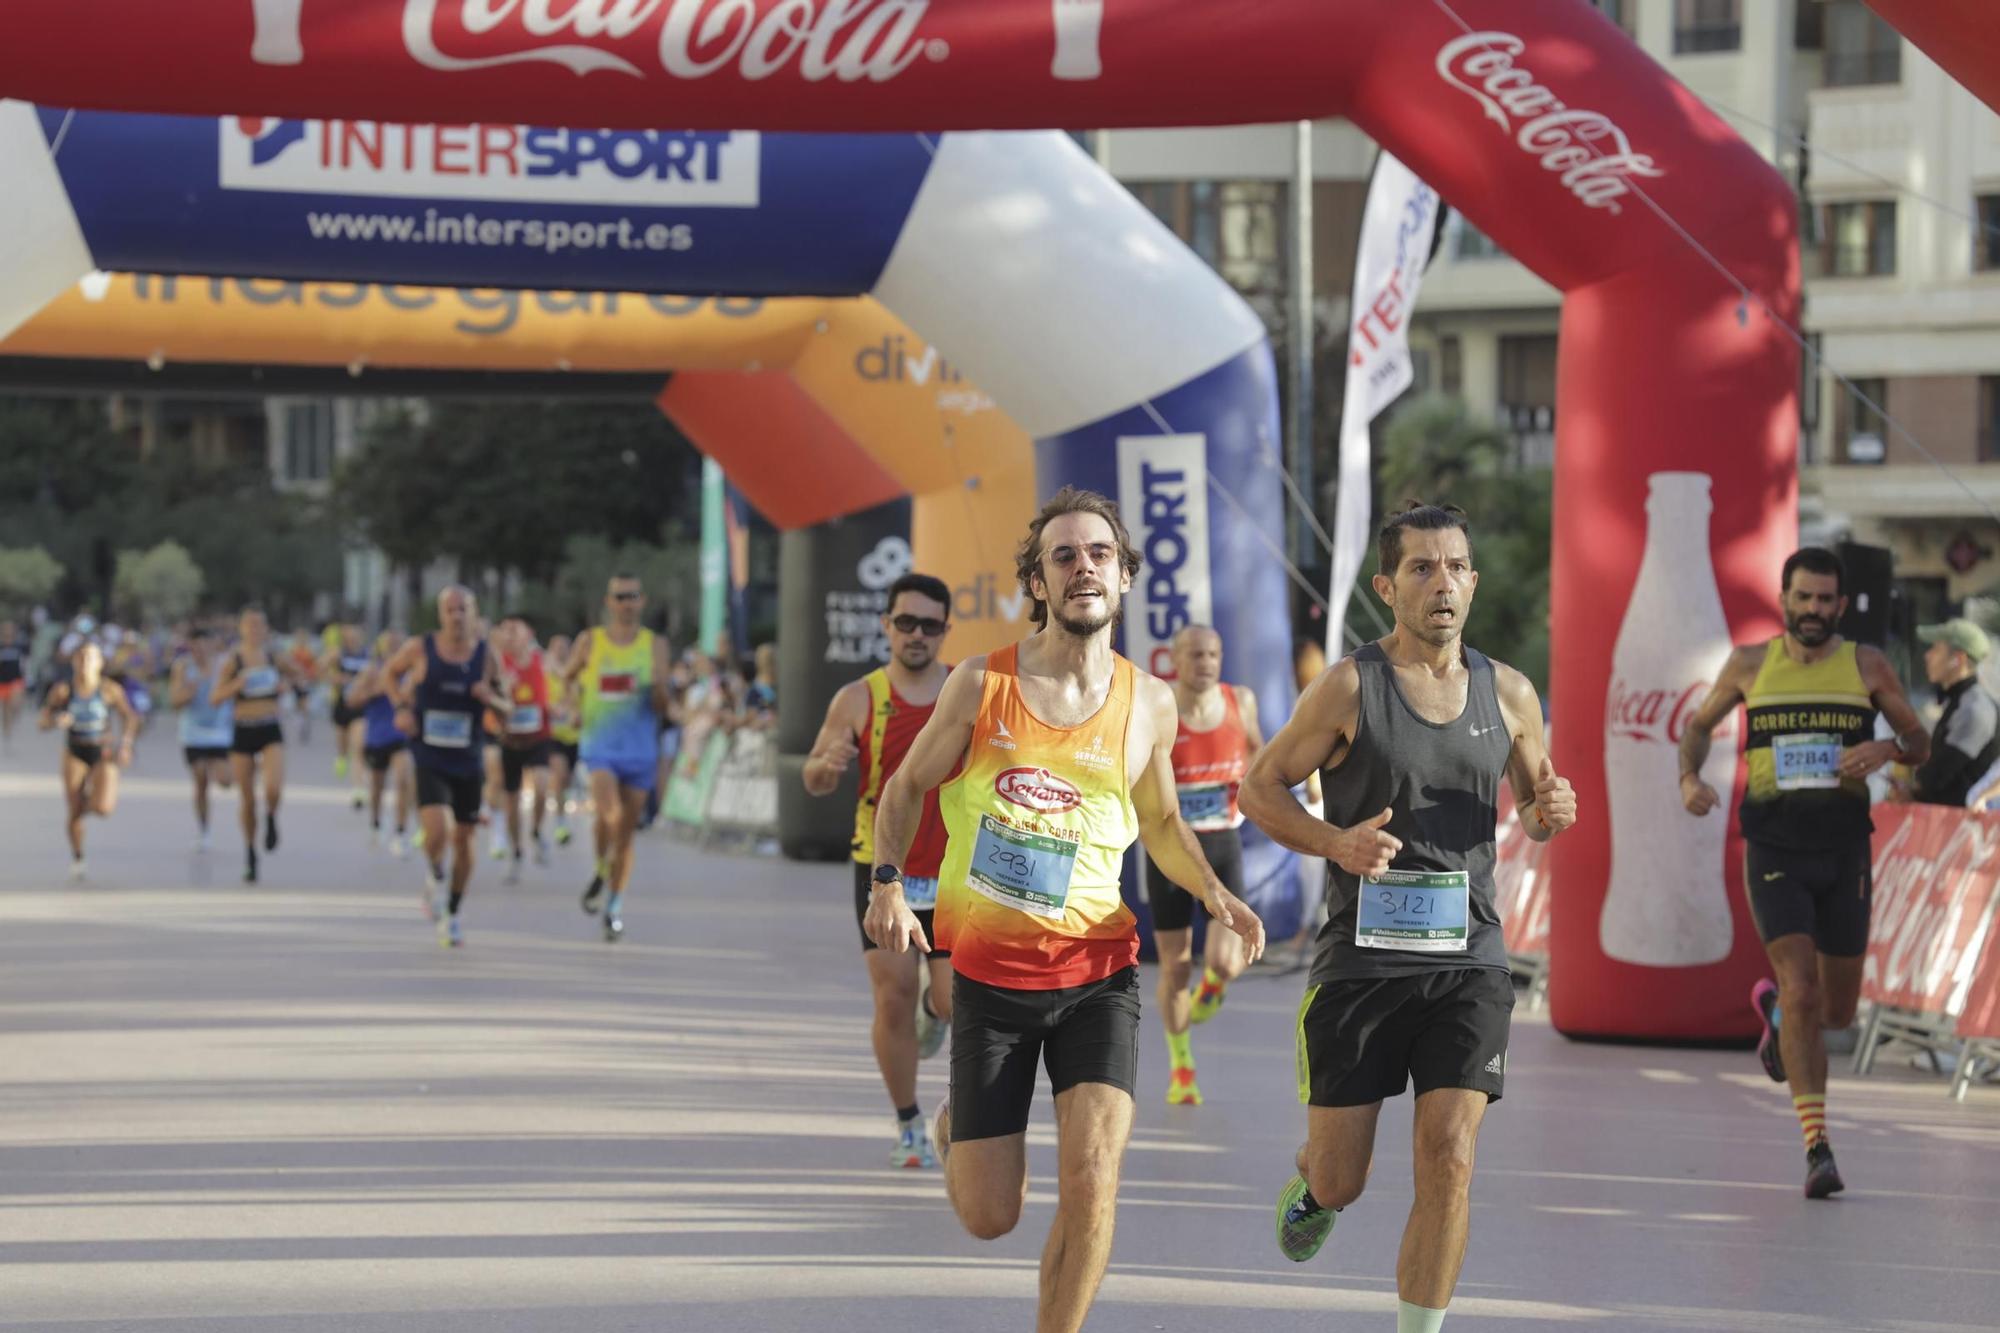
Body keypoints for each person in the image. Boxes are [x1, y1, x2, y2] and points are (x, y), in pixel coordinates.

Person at [864, 487, 1265, 1333]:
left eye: (1099, 555)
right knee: (990, 1215)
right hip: (989, 982)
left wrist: (1218, 895)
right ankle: (952, 1129)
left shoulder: (1147, 702)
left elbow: (1159, 821)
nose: (1083, 566)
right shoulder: (982, 683)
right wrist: (889, 881)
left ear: (1123, 577)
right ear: (1039, 583)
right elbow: (905, 788)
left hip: (1098, 976)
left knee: (1092, 1183)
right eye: (1063, 556)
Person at [1239, 502, 1576, 1333]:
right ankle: (1315, 1185)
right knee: (1343, 1175)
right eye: (1422, 567)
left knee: (1450, 1157)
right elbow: (1258, 786)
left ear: (1473, 581)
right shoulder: (1352, 685)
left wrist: (1549, 809)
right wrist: (1334, 841)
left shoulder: (1511, 691)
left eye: (1456, 566)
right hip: (1362, 963)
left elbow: (1537, 802)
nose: (1443, 582)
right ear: (1388, 586)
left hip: (1471, 960)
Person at [1679, 546, 1927, 1200]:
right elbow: (1698, 726)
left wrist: (1888, 748)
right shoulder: (1751, 664)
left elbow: (1919, 741)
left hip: (1845, 849)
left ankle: (1777, 1015)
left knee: (1837, 1011)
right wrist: (1688, 776)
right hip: (1774, 846)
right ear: (1785, 599)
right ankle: (1817, 1145)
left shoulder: (1867, 664)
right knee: (1803, 988)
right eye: (1804, 598)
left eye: (1826, 600)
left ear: (1840, 606)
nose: (1814, 610)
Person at [802, 571, 957, 1168]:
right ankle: (909, 1122)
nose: (916, 634)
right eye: (905, 622)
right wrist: (826, 766)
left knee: (949, 1001)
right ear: (887, 626)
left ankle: (933, 1017)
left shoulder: (963, 691)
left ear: (945, 630)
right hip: (883, 868)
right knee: (892, 995)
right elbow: (814, 778)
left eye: (930, 625)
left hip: (952, 870)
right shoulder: (859, 698)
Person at [1145, 623, 1265, 1106]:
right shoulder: (1160, 706)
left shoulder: (1241, 701)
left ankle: (1213, 986)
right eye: (1195, 655)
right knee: (1174, 970)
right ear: (1175, 658)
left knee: (1224, 959)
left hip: (1222, 845)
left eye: (1213, 654)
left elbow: (1260, 749)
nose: (1206, 663)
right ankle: (1181, 1067)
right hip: (1172, 851)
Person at [381, 587, 495, 948]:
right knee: (437, 831)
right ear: (440, 614)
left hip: (468, 757)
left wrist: (492, 699)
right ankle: (434, 873)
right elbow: (389, 674)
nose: (456, 616)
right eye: (449, 609)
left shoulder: (486, 655)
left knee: (465, 839)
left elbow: (506, 702)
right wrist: (401, 706)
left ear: (473, 613)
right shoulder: (420, 648)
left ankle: (454, 912)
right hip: (430, 753)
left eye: (463, 609)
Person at [564, 574, 671, 942]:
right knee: (608, 814)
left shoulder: (654, 645)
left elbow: (664, 707)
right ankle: (599, 866)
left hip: (640, 751)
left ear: (642, 601)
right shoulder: (590, 641)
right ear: (609, 602)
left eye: (633, 596)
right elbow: (566, 678)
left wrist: (658, 687)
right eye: (620, 597)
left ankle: (613, 904)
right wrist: (573, 708)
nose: (627, 603)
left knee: (625, 836)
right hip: (600, 746)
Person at [40, 641, 140, 882]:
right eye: (81, 657)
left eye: (90, 658)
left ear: (100, 663)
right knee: (73, 808)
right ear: (74, 662)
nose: (85, 662)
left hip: (102, 752)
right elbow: (42, 721)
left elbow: (130, 717)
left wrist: (125, 744)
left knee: (104, 808)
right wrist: (56, 721)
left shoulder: (109, 690)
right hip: (74, 750)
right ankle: (78, 856)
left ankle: (84, 807)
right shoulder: (63, 690)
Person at [211, 608, 294, 884]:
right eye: (250, 625)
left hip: (270, 727)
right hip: (243, 730)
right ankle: (250, 851)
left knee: (273, 786)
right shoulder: (234, 661)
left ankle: (271, 816)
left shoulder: (274, 658)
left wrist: (287, 685)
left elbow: (303, 675)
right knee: (247, 798)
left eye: (260, 625)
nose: (255, 630)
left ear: (266, 629)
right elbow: (216, 697)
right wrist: (236, 685)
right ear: (242, 629)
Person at [1889, 618, 2000, 809]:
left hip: (1967, 831)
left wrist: (1913, 790)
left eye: (1936, 649)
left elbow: (1941, 772)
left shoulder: (1975, 707)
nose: (1927, 656)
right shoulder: (1958, 701)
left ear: (1958, 659)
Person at [489, 614, 554, 881]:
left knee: (541, 786)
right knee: (512, 802)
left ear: (529, 634)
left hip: (538, 737)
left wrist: (566, 705)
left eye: (514, 630)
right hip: (511, 740)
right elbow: (487, 694)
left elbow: (565, 678)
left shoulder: (542, 661)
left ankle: (537, 831)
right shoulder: (496, 663)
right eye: (504, 630)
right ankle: (516, 851)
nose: (509, 635)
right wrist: (502, 690)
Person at [347, 630, 415, 856]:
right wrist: (374, 691)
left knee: (403, 778)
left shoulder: (411, 672)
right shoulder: (372, 672)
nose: (394, 650)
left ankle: (401, 831)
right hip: (377, 737)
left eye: (398, 645)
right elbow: (351, 700)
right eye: (390, 645)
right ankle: (376, 823)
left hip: (401, 736)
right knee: (377, 786)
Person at [169, 628, 235, 852]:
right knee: (200, 781)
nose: (201, 652)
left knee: (225, 780)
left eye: (205, 646)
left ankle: (241, 767)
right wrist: (188, 692)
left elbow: (235, 692)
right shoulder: (183, 668)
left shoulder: (225, 665)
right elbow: (174, 701)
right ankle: (204, 830)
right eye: (196, 647)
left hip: (220, 734)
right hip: (192, 734)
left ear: (213, 645)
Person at [323, 621, 373, 809]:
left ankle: (359, 789)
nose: (353, 637)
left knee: (358, 748)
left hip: (360, 706)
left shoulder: (368, 654)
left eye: (356, 633)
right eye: (349, 634)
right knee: (343, 746)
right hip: (342, 705)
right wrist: (334, 678)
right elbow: (320, 671)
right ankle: (341, 757)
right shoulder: (338, 653)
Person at [544, 632, 581, 848]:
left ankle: (561, 812)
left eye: (564, 647)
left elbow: (582, 703)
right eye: (556, 647)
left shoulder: (577, 676)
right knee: (560, 774)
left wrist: (576, 713)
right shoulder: (545, 674)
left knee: (566, 780)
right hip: (552, 735)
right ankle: (560, 823)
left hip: (573, 736)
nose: (560, 651)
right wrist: (551, 710)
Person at [0, 618, 26, 751]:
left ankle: (14, 720)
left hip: (16, 680)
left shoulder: (19, 646)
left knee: (15, 705)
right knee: (5, 711)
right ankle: (7, 735)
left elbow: (25, 662)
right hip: (2, 682)